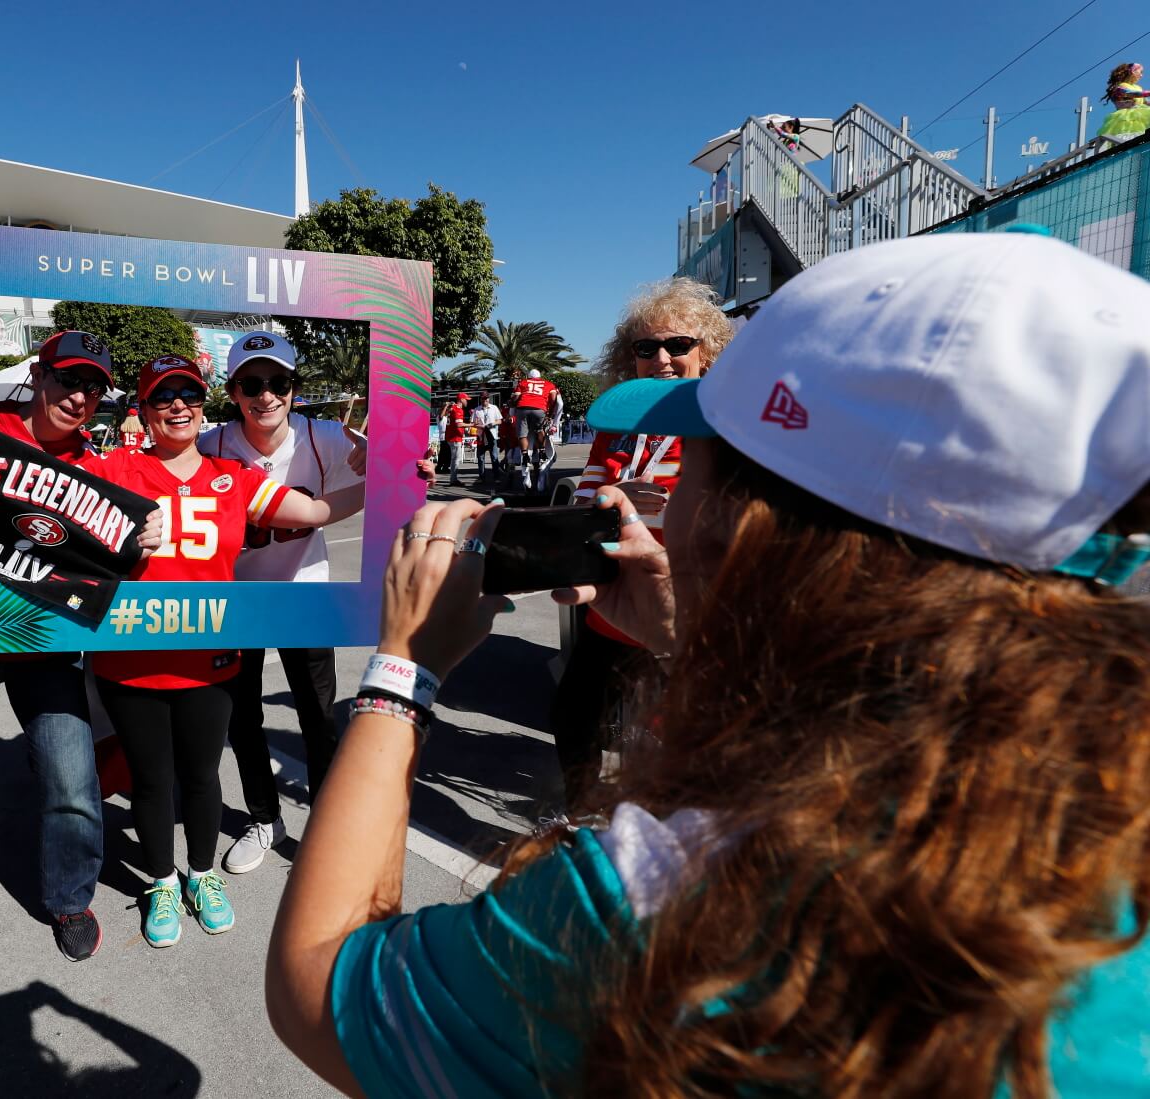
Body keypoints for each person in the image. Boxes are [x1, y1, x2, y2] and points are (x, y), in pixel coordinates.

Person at [267, 234, 1150, 1097]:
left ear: (739, 525)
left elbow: (316, 986)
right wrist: (687, 641)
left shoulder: (667, 902)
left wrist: (403, 669)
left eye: (704, 459)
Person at [0, 329, 162, 962]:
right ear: (39, 374)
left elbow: (111, 569)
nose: (79, 396)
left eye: (93, 387)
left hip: (45, 642)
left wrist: (140, 549)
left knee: (71, 779)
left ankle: (70, 898)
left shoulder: (99, 467)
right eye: (68, 379)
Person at [93, 353, 334, 949]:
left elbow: (318, 510)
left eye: (190, 395)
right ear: (143, 410)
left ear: (205, 406)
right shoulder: (115, 470)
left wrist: (394, 466)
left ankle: (201, 875)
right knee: (150, 782)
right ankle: (161, 882)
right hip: (132, 656)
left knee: (202, 777)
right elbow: (48, 518)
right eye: (163, 396)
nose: (179, 405)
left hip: (210, 658)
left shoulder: (235, 476)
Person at [551, 277, 735, 801]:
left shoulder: (724, 425)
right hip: (614, 600)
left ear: (708, 352)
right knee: (573, 713)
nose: (663, 359)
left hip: (690, 603)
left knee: (684, 736)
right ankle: (580, 815)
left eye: (680, 345)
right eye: (646, 347)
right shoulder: (618, 424)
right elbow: (583, 503)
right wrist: (613, 489)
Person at [197, 332, 367, 875]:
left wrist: (406, 465)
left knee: (319, 716)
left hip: (306, 592)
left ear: (294, 388)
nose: (265, 396)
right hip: (237, 599)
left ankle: (325, 825)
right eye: (251, 383)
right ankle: (264, 819)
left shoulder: (324, 437)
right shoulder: (211, 443)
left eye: (277, 383)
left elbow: (391, 477)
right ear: (233, 391)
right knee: (240, 717)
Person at [1098, 61, 1150, 140]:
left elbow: (1146, 102)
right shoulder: (1121, 86)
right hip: (1125, 117)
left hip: (1140, 115)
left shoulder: (1139, 87)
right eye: (1140, 72)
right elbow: (1131, 93)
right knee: (1128, 136)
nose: (1141, 75)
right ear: (1133, 71)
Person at [468, 392, 502, 482]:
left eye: (486, 398)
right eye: (483, 398)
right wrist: (479, 426)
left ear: (489, 399)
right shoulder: (477, 410)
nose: (485, 400)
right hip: (481, 436)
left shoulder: (494, 408)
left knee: (494, 457)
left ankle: (497, 477)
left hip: (492, 435)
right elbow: (472, 423)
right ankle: (482, 477)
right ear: (481, 399)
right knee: (480, 458)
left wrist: (492, 424)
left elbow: (500, 421)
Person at [441, 392, 468, 486]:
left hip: (450, 437)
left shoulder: (452, 408)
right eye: (466, 399)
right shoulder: (458, 409)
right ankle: (453, 480)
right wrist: (473, 424)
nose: (467, 401)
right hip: (455, 438)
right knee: (456, 459)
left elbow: (442, 416)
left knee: (454, 459)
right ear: (461, 399)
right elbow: (459, 424)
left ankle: (453, 479)